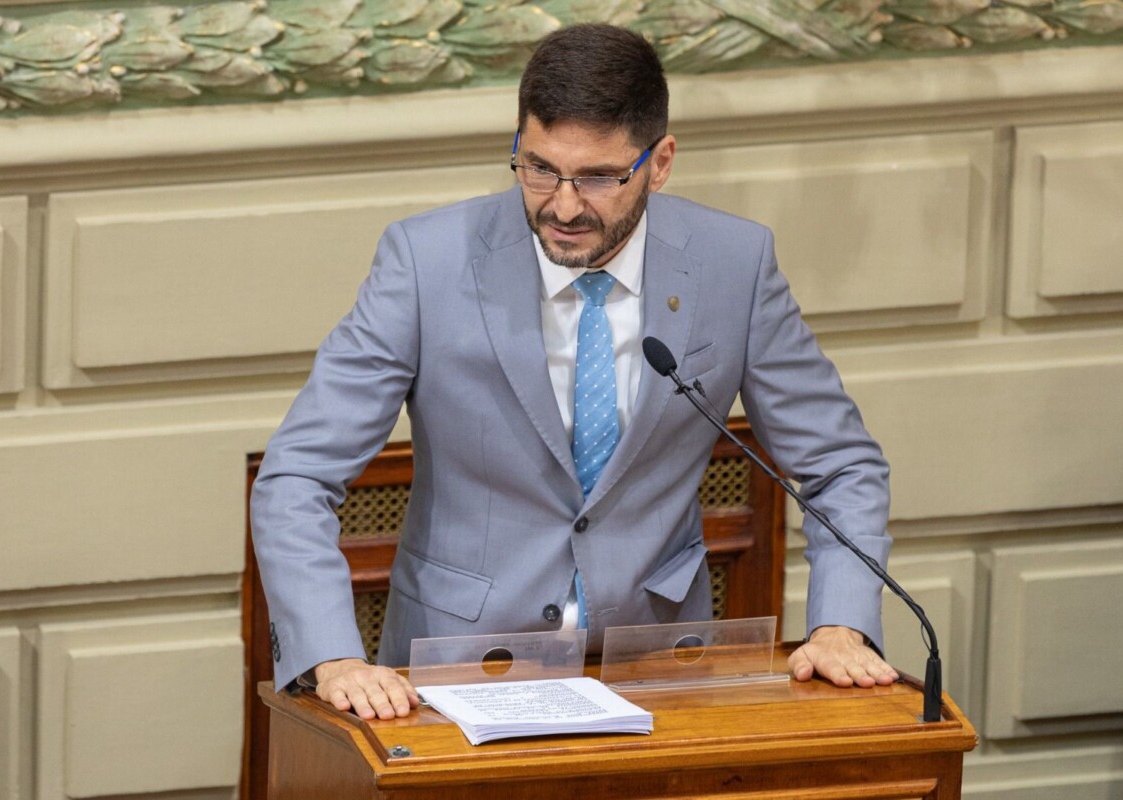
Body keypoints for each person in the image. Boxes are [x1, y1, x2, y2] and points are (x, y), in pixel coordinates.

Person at [251, 23, 898, 721]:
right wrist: (334, 655)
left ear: (661, 161)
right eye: (538, 169)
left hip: (658, 671)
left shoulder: (732, 265)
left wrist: (841, 622)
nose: (562, 206)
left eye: (596, 178)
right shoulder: (424, 263)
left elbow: (841, 464)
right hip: (455, 678)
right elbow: (297, 477)